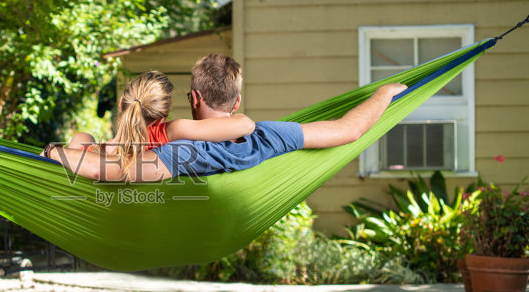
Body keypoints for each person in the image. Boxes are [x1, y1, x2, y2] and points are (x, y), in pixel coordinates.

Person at [45, 54, 407, 182]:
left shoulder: (181, 149)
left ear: (194, 98)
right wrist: (384, 94)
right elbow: (350, 129)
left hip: (144, 166)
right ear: (237, 102)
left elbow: (104, 170)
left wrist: (51, 153)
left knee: (84, 141)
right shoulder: (270, 136)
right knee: (91, 143)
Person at [58, 69, 255, 171]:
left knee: (82, 136)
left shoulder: (82, 148)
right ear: (164, 116)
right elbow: (244, 125)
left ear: (121, 103)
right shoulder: (169, 132)